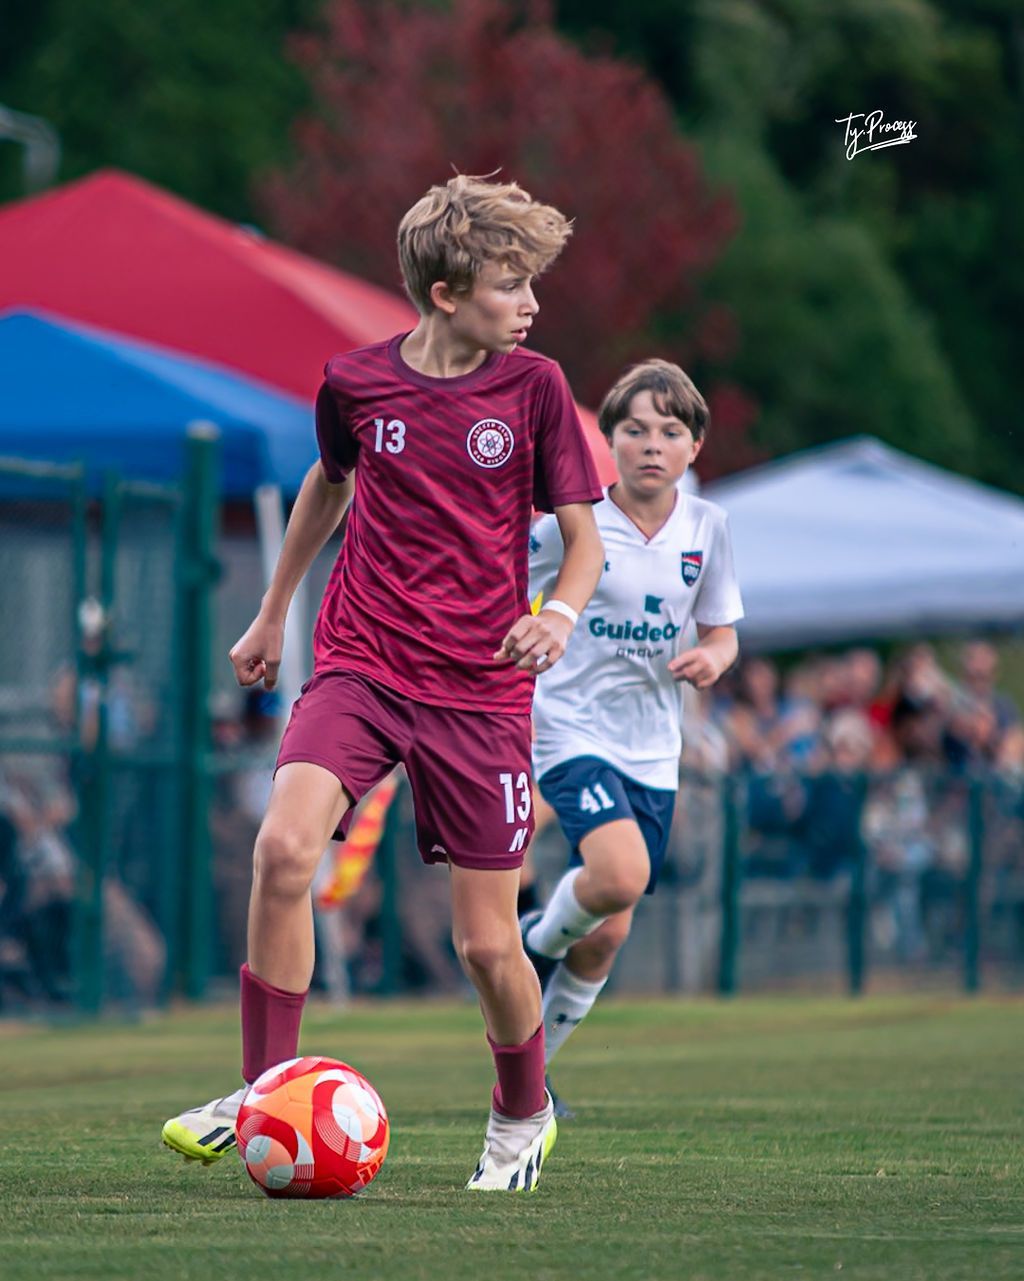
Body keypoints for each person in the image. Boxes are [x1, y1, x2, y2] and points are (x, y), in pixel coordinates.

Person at [161, 174, 605, 1191]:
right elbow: (328, 485)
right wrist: (272, 609)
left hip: (481, 691)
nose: (531, 303)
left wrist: (557, 616)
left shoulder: (535, 388)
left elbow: (583, 542)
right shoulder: (355, 383)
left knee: (485, 945)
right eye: (511, 284)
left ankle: (523, 1112)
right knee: (283, 850)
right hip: (362, 664)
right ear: (446, 294)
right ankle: (266, 1091)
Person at [521, 358, 742, 1116]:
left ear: (694, 446)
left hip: (654, 747)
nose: (652, 444)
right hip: (569, 728)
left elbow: (722, 630)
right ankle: (532, 943)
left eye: (670, 431)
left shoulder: (708, 527)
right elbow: (506, 591)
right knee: (618, 874)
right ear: (608, 440)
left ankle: (527, 1074)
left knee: (608, 935)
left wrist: (712, 659)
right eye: (636, 429)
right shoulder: (571, 524)